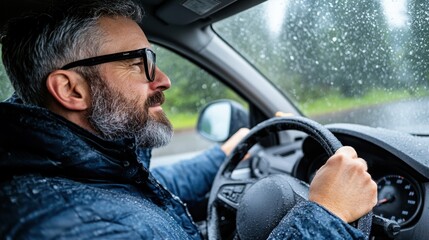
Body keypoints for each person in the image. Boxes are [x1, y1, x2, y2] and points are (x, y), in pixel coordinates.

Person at [0, 0, 377, 239]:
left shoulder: (76, 170)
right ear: (71, 90)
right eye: (140, 63)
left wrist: (227, 152)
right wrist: (326, 214)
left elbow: (147, 187)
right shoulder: (80, 228)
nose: (163, 79)